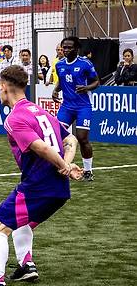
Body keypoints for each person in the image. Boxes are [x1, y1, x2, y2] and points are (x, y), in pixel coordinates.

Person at [0, 65, 82, 286]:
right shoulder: (41, 111)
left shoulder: (15, 118)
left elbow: (41, 147)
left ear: (5, 87)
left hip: (38, 185)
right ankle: (26, 266)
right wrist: (65, 165)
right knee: (19, 222)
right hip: (58, 189)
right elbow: (71, 140)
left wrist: (63, 166)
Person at [52, 36, 99, 182]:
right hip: (66, 106)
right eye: (63, 47)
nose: (65, 50)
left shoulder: (85, 63)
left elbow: (97, 81)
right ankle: (60, 167)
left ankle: (88, 171)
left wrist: (86, 88)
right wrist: (55, 90)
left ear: (76, 48)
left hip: (83, 106)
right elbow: (62, 80)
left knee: (82, 138)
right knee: (57, 135)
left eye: (68, 47)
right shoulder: (59, 65)